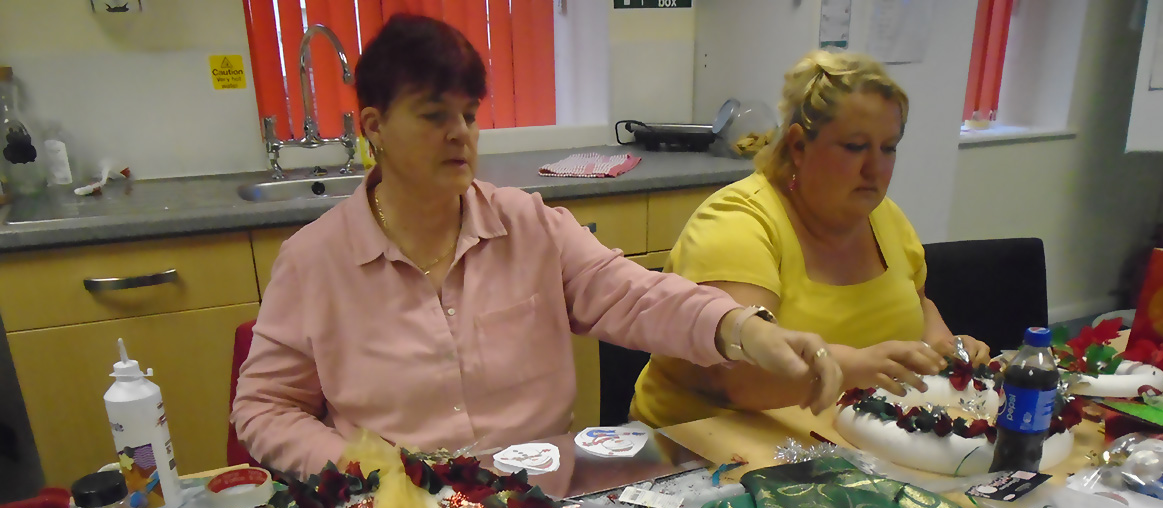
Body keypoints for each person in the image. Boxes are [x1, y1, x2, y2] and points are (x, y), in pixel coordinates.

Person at [231, 15, 843, 477]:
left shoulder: (529, 226)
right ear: (372, 127)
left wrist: (747, 329)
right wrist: (367, 469)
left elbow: (639, 297)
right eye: (432, 114)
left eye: (469, 114)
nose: (460, 134)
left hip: (541, 503)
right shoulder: (314, 261)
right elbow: (264, 409)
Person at [631, 50, 989, 429]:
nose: (875, 168)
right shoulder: (737, 223)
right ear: (799, 146)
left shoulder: (887, 219)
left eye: (888, 148)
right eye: (854, 147)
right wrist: (855, 367)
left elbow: (916, 302)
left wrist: (944, 349)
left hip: (840, 442)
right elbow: (736, 375)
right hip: (703, 451)